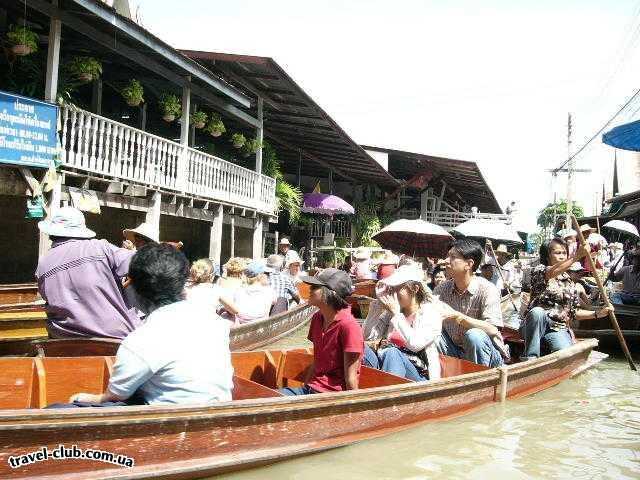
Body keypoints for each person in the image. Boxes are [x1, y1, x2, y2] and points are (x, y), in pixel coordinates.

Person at [69, 243, 233, 406]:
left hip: (172, 422)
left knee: (65, 407)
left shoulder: (141, 339)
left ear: (135, 289)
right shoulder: (216, 323)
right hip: (218, 414)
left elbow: (116, 395)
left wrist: (89, 398)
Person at [35, 207, 142, 339]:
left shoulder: (42, 264)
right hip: (114, 336)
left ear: (52, 233)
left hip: (62, 338)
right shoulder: (100, 248)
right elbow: (143, 263)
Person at [521, 238, 613, 359]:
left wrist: (598, 313)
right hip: (535, 325)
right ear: (547, 256)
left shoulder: (569, 281)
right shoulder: (540, 270)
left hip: (557, 328)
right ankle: (530, 358)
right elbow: (551, 272)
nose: (562, 256)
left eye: (564, 253)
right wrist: (577, 256)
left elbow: (573, 313)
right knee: (537, 312)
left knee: (566, 354)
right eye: (557, 253)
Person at [280, 268, 363, 395]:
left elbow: (350, 378)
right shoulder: (317, 318)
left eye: (315, 287)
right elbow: (317, 361)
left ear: (331, 293)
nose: (310, 289)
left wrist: (354, 411)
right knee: (263, 400)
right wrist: (305, 389)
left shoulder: (349, 326)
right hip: (310, 390)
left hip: (330, 397)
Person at [362, 266, 450, 381]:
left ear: (415, 289)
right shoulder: (391, 314)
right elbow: (367, 336)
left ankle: (387, 395)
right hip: (387, 367)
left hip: (418, 374)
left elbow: (415, 344)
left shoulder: (431, 312)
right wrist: (377, 307)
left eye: (398, 288)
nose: (393, 293)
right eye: (391, 288)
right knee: (359, 346)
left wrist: (396, 314)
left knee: (392, 352)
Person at [434, 239, 506, 367]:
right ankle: (444, 377)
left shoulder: (488, 289)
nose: (445, 261)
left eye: (452, 257)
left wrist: (458, 317)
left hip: (488, 357)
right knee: (433, 334)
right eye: (447, 256)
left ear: (469, 264)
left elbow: (492, 329)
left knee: (474, 335)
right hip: (455, 353)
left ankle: (478, 381)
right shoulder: (441, 289)